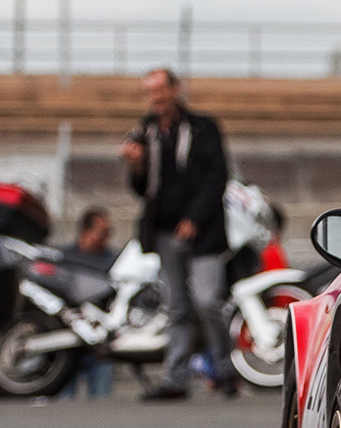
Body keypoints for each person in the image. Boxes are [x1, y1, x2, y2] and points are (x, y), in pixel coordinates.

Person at [120, 68, 235, 401]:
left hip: (204, 235)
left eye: (160, 90)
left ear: (175, 90)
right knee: (176, 307)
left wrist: (195, 219)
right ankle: (175, 378)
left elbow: (217, 178)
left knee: (207, 300)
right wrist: (135, 166)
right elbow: (142, 189)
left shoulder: (203, 128)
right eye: (149, 92)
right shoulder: (146, 131)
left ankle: (225, 369)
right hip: (164, 233)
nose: (155, 98)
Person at [60, 207, 116, 400]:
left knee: (101, 402)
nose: (106, 238)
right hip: (67, 341)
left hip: (98, 344)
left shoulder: (113, 261)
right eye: (102, 232)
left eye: (109, 233)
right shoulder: (64, 258)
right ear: (85, 231)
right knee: (62, 402)